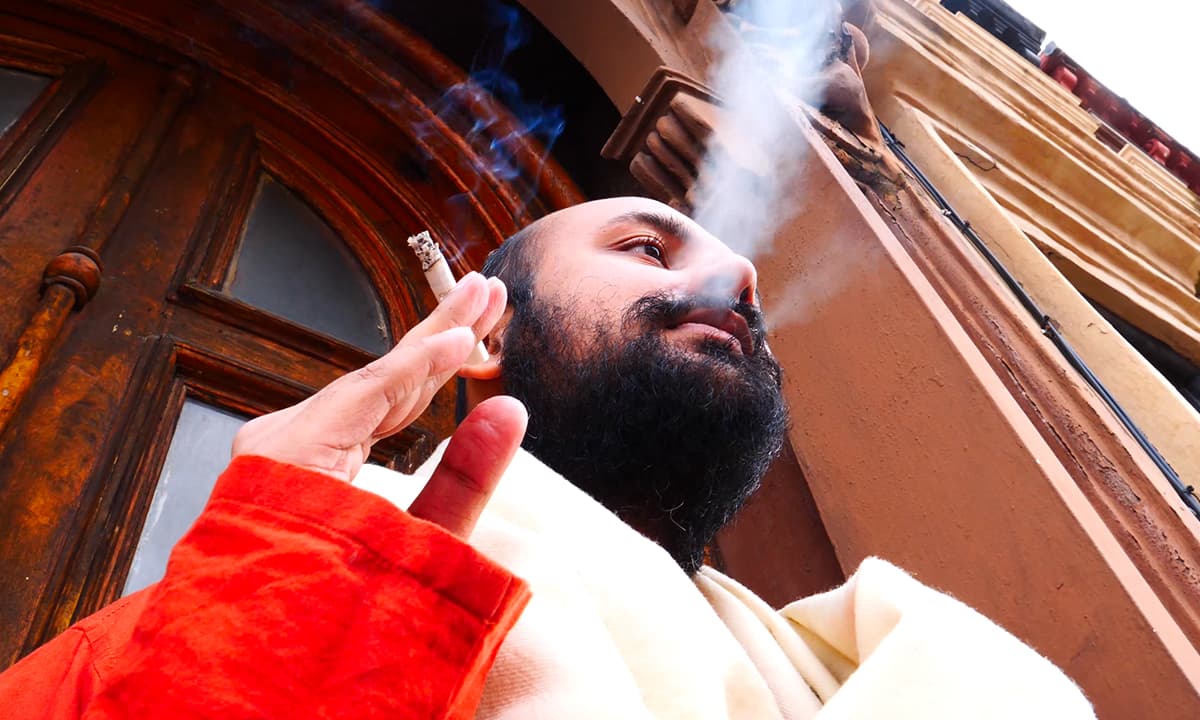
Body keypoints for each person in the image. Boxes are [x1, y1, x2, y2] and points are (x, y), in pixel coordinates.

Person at [0, 197, 1094, 718]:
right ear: (485, 333)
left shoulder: (854, 662)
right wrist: (290, 582)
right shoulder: (320, 554)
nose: (731, 291)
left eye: (748, 294)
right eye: (645, 249)